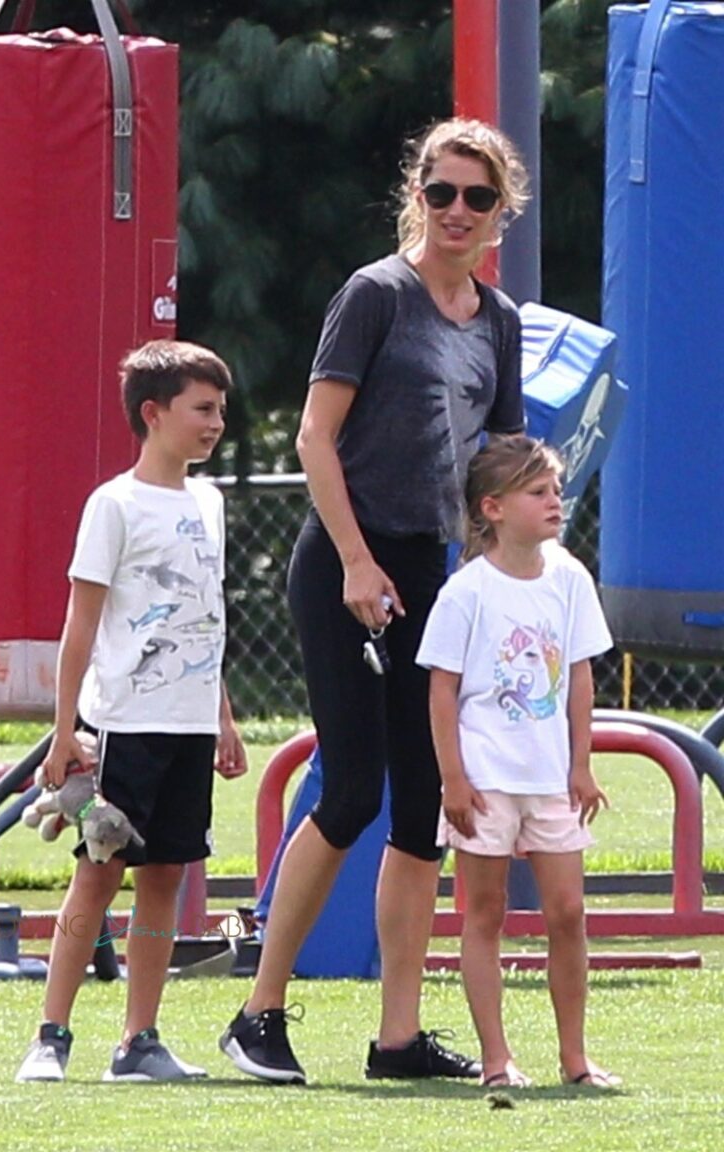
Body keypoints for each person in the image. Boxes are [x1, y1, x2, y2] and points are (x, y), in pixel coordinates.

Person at [220, 117, 530, 1085]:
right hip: (345, 560)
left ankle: (398, 1037)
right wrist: (356, 562)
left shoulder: (499, 320)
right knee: (352, 788)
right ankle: (256, 1013)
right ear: (418, 195)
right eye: (441, 192)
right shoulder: (375, 296)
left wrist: (507, 580)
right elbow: (315, 439)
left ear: (500, 212)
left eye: (477, 197)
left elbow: (499, 465)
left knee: (427, 801)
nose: (456, 212)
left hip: (429, 569)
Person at [16, 339, 247, 1084]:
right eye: (202, 409)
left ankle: (138, 1040)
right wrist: (63, 734)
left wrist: (223, 715)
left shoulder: (209, 503)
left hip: (188, 724)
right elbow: (80, 624)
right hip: (123, 724)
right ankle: (50, 1036)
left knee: (166, 878)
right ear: (154, 414)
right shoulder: (112, 505)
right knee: (99, 872)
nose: (216, 423)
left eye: (220, 410)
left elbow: (203, 618)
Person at [416, 435, 620, 1089]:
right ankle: (497, 1060)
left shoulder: (569, 579)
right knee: (486, 912)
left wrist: (580, 765)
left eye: (556, 489)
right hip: (484, 781)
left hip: (551, 779)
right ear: (494, 508)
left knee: (567, 913)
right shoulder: (466, 592)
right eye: (539, 492)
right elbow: (442, 689)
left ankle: (576, 1058)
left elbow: (581, 678)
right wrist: (454, 778)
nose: (555, 501)